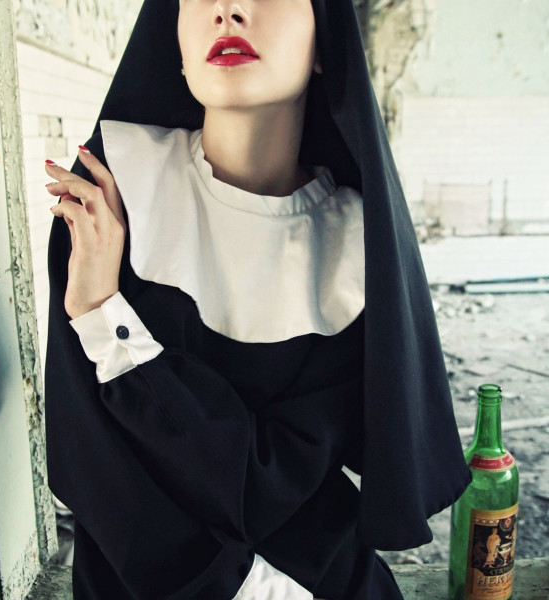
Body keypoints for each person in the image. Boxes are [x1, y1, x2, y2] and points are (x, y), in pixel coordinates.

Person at [43, 1, 472, 598]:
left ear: (325, 41)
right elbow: (88, 459)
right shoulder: (114, 189)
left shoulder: (354, 246)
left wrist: (106, 319)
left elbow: (269, 482)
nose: (228, 9)